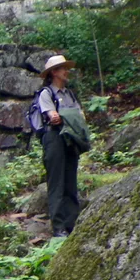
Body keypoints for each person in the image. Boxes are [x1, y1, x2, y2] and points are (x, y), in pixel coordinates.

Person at [37, 55, 82, 238]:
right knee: (56, 182)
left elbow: (80, 115)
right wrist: (66, 116)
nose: (66, 71)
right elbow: (52, 116)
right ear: (54, 72)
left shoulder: (70, 94)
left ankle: (72, 223)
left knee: (71, 180)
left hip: (70, 138)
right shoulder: (46, 93)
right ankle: (58, 227)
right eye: (63, 68)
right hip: (54, 138)